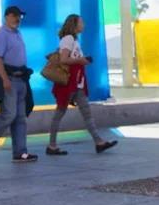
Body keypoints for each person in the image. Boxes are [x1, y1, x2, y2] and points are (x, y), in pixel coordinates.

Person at [45, 13, 118, 156]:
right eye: (81, 22)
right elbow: (64, 60)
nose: (83, 25)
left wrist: (82, 60)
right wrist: (81, 61)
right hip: (69, 83)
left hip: (77, 83)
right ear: (74, 24)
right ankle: (52, 145)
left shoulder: (74, 40)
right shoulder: (68, 39)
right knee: (60, 113)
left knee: (85, 112)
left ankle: (98, 142)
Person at [0, 5, 37, 162]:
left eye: (19, 16)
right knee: (9, 114)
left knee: (20, 118)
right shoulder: (1, 35)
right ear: (7, 17)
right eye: (14, 15)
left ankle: (20, 152)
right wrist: (4, 79)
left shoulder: (18, 34)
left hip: (21, 79)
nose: (17, 19)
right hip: (9, 79)